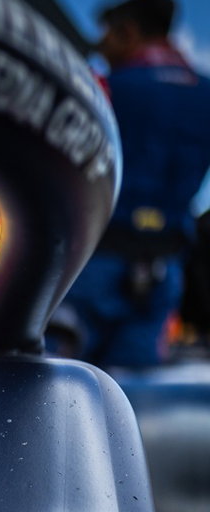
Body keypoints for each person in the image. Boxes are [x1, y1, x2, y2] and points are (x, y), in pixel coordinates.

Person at [59, 0, 210, 368]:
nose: (102, 47)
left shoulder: (103, 88)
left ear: (129, 32)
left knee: (56, 380)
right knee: (130, 390)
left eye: (108, 35)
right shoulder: (205, 94)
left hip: (91, 262)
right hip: (164, 269)